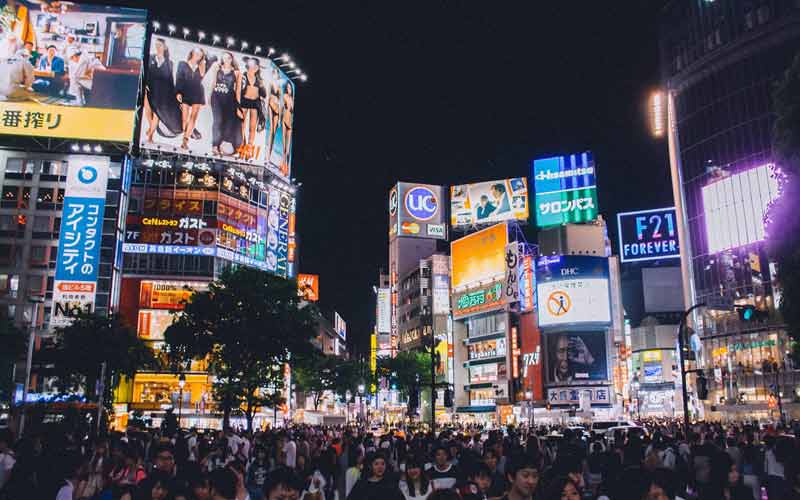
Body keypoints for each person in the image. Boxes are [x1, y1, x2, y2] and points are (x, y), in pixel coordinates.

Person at [144, 38, 182, 142]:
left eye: (159, 45)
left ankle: (150, 134)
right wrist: (145, 84)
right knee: (148, 107)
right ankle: (151, 128)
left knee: (157, 112)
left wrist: (175, 95)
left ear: (164, 47)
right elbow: (145, 73)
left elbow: (170, 80)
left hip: (162, 92)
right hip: (150, 87)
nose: (157, 47)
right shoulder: (150, 57)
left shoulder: (170, 63)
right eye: (156, 45)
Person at [208, 51, 242, 156]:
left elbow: (238, 91)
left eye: (228, 58)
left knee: (226, 123)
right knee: (217, 120)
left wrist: (238, 107)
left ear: (232, 59)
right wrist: (209, 96)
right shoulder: (216, 68)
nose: (226, 60)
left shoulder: (237, 72)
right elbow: (213, 82)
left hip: (230, 100)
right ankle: (214, 146)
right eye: (224, 58)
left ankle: (220, 146)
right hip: (217, 97)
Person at [175, 47, 207, 150]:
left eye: (200, 54)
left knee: (193, 117)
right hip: (185, 92)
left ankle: (185, 140)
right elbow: (179, 78)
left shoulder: (202, 65)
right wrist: (178, 92)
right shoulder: (182, 64)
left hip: (198, 92)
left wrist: (202, 64)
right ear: (192, 52)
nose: (198, 55)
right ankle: (189, 131)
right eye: (197, 53)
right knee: (184, 117)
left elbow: (202, 76)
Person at [239, 57, 267, 159]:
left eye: (256, 66)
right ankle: (242, 145)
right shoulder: (243, 75)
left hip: (255, 103)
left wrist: (262, 86)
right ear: (249, 65)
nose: (254, 68)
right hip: (244, 101)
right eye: (253, 65)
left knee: (252, 127)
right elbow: (238, 89)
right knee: (241, 125)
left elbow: (264, 94)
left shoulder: (259, 80)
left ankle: (249, 148)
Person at [280, 82, 294, 174]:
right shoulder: (285, 96)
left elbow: (292, 109)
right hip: (285, 119)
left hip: (290, 123)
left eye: (290, 88)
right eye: (288, 88)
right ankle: (283, 165)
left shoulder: (293, 99)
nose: (289, 89)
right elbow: (282, 107)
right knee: (284, 147)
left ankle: (287, 168)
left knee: (288, 149)